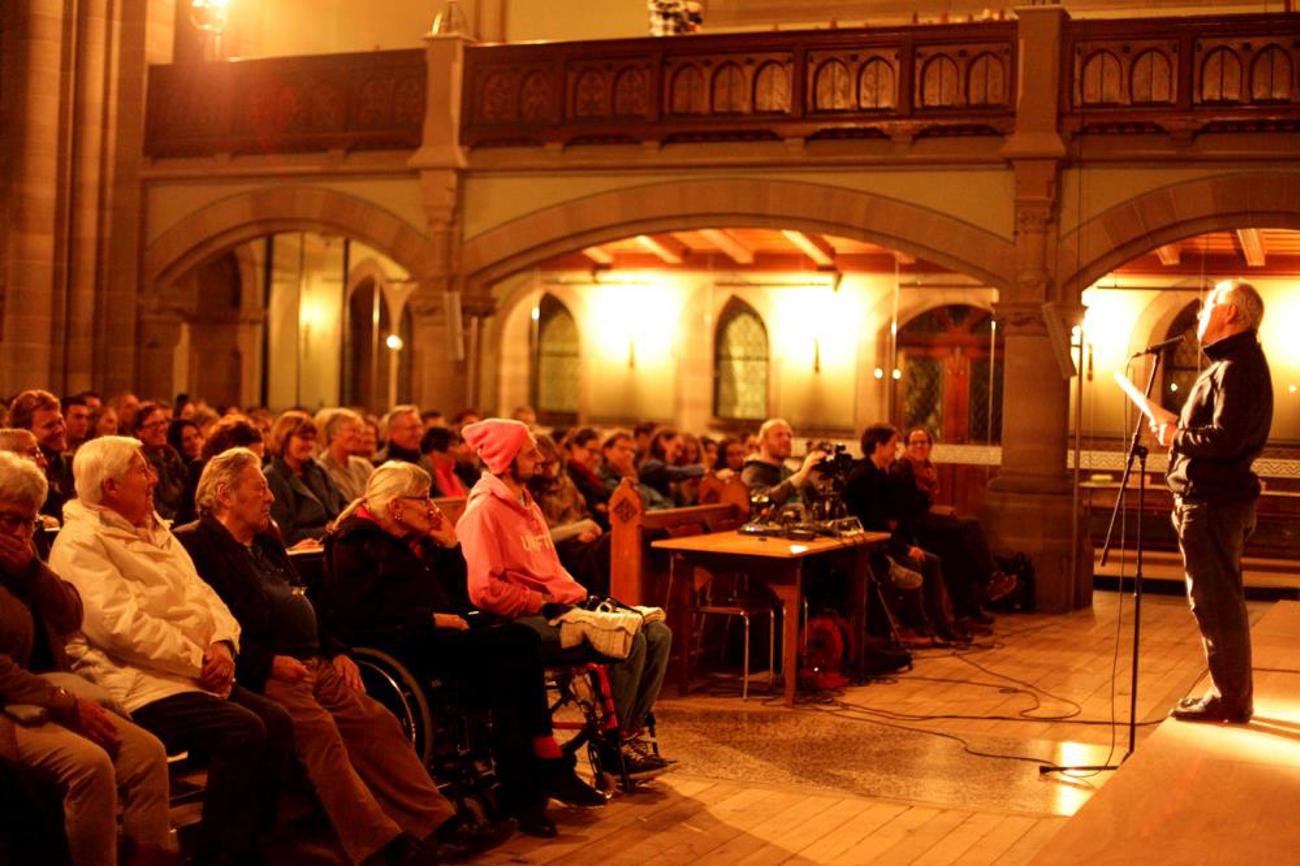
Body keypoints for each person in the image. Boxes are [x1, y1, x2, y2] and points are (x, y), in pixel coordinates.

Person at [176, 449, 506, 866]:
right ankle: (382, 846)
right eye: (260, 488)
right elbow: (204, 620)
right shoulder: (196, 543)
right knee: (321, 734)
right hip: (269, 669)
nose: (271, 497)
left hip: (316, 660)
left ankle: (438, 825)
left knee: (376, 723)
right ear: (224, 495)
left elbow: (307, 600)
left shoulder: (266, 538)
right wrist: (265, 662)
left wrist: (337, 650)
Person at [324, 462, 607, 839]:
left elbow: (458, 600)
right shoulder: (354, 542)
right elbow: (361, 615)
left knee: (517, 644)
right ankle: (534, 775)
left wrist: (450, 546)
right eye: (423, 499)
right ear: (395, 506)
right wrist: (432, 621)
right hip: (398, 649)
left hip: (434, 639)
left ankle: (531, 779)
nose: (431, 507)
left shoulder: (411, 540)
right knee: (515, 648)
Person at [49, 437, 294, 866]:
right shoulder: (80, 543)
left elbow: (203, 594)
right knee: (243, 730)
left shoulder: (155, 529)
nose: (154, 478)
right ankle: (221, 854)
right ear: (110, 487)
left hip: (190, 673)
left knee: (277, 722)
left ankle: (254, 845)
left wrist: (221, 643)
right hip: (135, 682)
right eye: (142, 471)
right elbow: (118, 628)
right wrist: (198, 659)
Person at [456, 419, 673, 776]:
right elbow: (483, 590)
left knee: (658, 633)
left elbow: (551, 569)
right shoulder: (483, 512)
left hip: (560, 607)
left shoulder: (528, 504)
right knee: (628, 637)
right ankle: (611, 747)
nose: (541, 458)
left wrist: (577, 597)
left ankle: (627, 733)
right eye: (531, 452)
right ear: (505, 459)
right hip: (524, 620)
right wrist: (539, 602)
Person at [0, 451, 176, 866]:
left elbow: (71, 613)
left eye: (30, 520)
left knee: (147, 754)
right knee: (90, 765)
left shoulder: (26, 554)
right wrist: (66, 703)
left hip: (45, 694)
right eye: (10, 518)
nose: (22, 531)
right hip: (11, 705)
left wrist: (31, 571)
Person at [1145, 280, 1273, 724]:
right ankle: (1230, 693)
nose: (1202, 311)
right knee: (1215, 601)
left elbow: (1226, 438)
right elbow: (1221, 432)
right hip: (1212, 501)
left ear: (1233, 313)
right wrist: (1180, 428)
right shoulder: (1230, 365)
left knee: (1216, 602)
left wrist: (1175, 435)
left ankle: (1231, 699)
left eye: (1212, 303)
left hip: (1214, 504)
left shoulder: (1237, 367)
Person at [843, 424, 969, 645]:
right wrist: (906, 548)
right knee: (918, 563)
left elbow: (897, 515)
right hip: (872, 546)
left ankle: (939, 625)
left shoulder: (882, 473)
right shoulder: (864, 476)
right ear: (878, 446)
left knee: (935, 560)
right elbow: (876, 523)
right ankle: (918, 627)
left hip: (887, 539)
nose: (896, 450)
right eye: (893, 445)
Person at [529, 435, 610, 596]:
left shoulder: (565, 483)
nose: (550, 470)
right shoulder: (530, 489)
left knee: (612, 542)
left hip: (580, 541)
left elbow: (582, 513)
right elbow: (539, 536)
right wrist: (576, 532)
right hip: (557, 551)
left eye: (553, 463)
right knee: (605, 548)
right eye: (544, 465)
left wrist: (585, 531)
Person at [263, 411, 346, 547]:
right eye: (304, 438)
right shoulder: (272, 476)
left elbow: (342, 502)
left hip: (333, 542)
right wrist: (327, 530)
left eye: (312, 439)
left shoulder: (318, 469)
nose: (309, 444)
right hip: (303, 551)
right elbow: (285, 533)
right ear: (284, 438)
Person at [8, 390, 75, 521]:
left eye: (60, 421)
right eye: (49, 426)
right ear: (24, 432)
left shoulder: (76, 467)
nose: (60, 429)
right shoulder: (13, 477)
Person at [740, 419, 827, 510]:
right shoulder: (753, 472)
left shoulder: (787, 472)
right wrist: (800, 476)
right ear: (762, 441)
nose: (786, 440)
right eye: (779, 435)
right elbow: (761, 501)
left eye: (789, 436)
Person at [131, 402, 187, 521]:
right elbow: (155, 507)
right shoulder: (141, 461)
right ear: (139, 432)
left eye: (162, 422)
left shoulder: (171, 454)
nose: (161, 428)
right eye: (153, 425)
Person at [598, 431, 671, 510]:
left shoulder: (631, 473)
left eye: (632, 451)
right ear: (607, 451)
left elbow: (664, 504)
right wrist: (632, 481)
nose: (628, 454)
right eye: (622, 449)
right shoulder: (601, 478)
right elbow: (635, 505)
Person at [316, 409, 374, 502]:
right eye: (353, 431)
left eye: (360, 432)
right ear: (333, 434)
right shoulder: (320, 469)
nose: (358, 437)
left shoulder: (363, 466)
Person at [637, 428, 705, 505]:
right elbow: (678, 473)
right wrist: (702, 469)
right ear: (663, 442)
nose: (679, 454)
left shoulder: (662, 468)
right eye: (677, 447)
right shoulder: (652, 466)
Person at [561, 428, 611, 526]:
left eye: (599, 453)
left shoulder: (591, 475)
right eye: (591, 451)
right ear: (575, 448)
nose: (596, 458)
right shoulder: (567, 475)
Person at [374, 406, 433, 473]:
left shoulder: (426, 462)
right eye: (411, 428)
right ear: (393, 432)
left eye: (420, 427)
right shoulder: (381, 464)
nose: (419, 433)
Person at [419, 426, 468, 498]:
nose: (457, 451)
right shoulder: (427, 476)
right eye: (453, 445)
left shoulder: (454, 475)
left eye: (457, 446)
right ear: (435, 449)